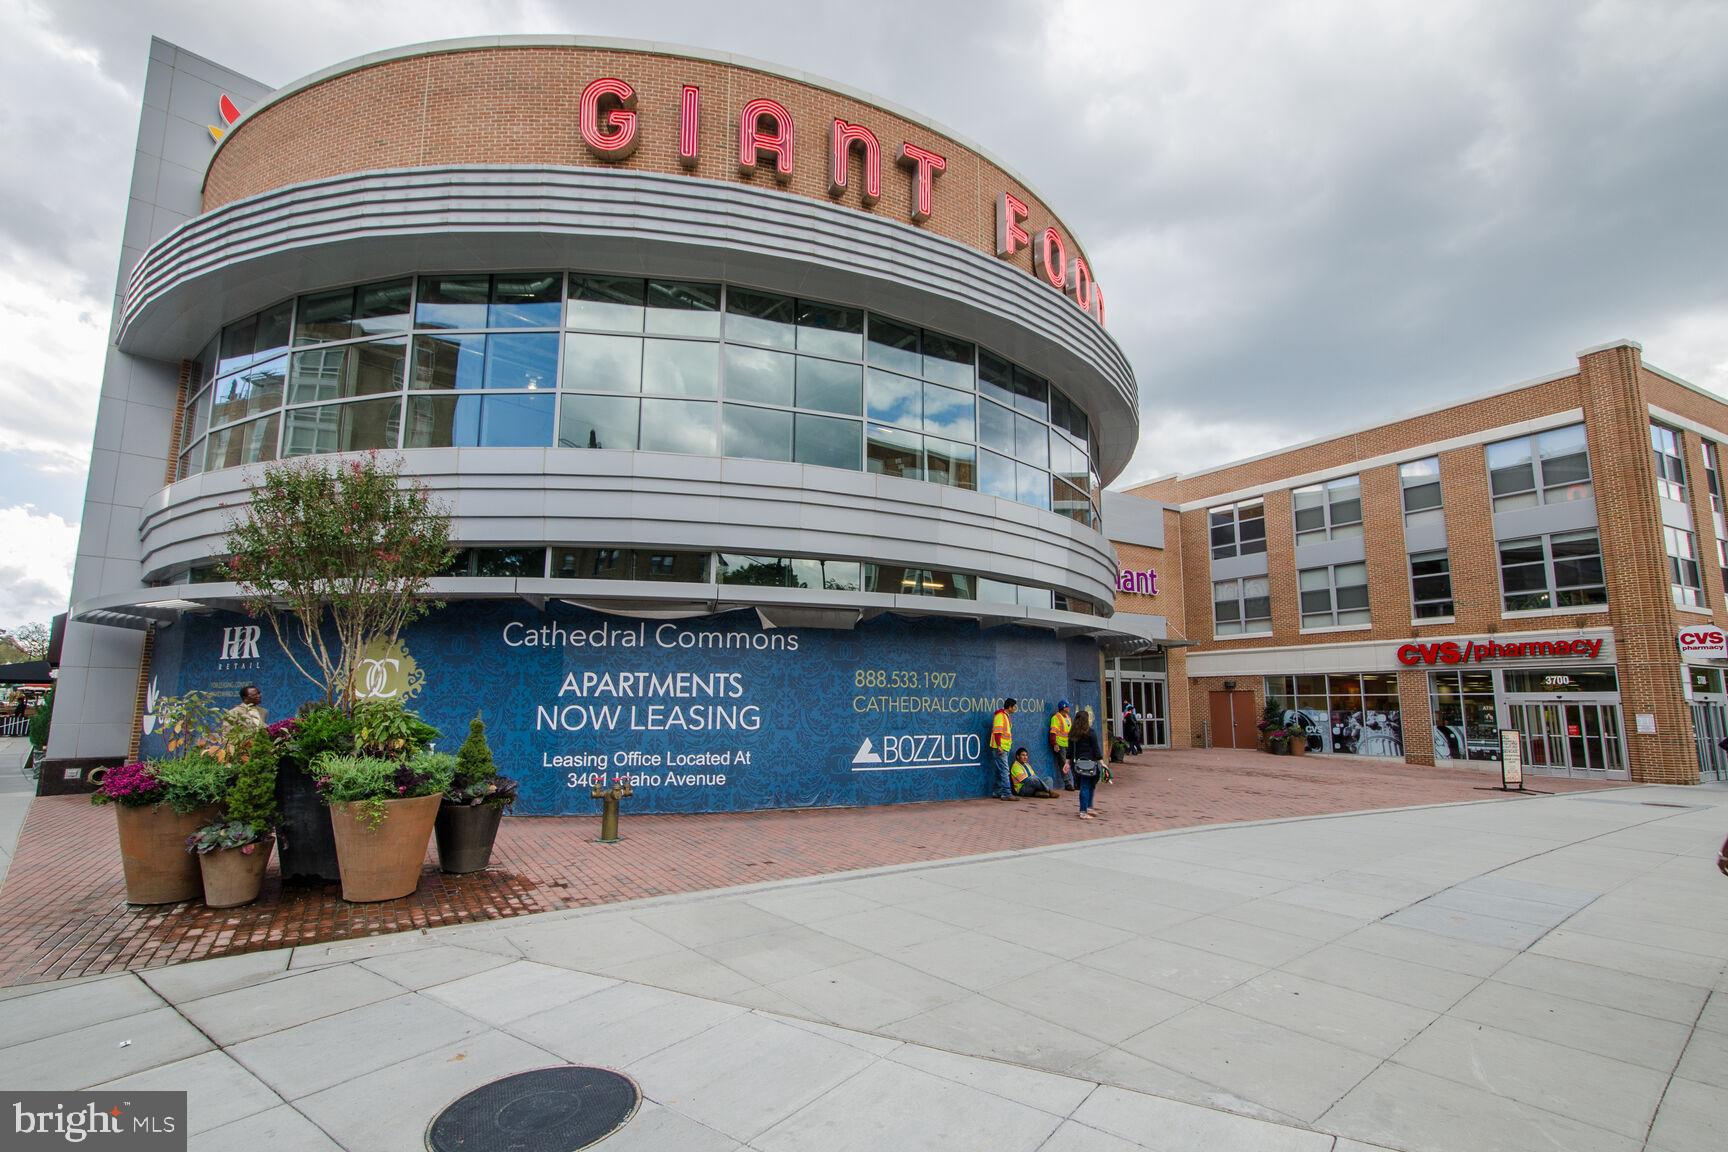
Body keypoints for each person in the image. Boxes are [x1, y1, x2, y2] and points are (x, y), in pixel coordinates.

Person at [1068, 709, 1104, 819]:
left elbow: (1069, 749)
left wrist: (1067, 762)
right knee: (1089, 786)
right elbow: (1096, 748)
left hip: (1078, 764)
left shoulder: (1073, 733)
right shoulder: (1090, 732)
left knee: (1085, 786)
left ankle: (1087, 808)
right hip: (1090, 763)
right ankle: (1084, 810)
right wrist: (1101, 762)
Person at [989, 698, 1018, 801]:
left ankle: (997, 791)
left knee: (1000, 771)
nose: (1015, 708)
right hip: (1000, 748)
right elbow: (997, 732)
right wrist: (999, 746)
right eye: (1014, 706)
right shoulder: (1000, 716)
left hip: (1004, 747)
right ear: (1009, 707)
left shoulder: (1006, 716)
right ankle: (1006, 793)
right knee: (1005, 771)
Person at [1048, 700, 1075, 791]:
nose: (1069, 708)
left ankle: (1076, 782)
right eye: (1068, 706)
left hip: (1068, 744)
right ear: (1064, 707)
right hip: (1060, 744)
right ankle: (1068, 783)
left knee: (1072, 762)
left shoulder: (1068, 717)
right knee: (1064, 763)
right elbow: (1053, 732)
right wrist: (1054, 744)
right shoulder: (1056, 718)